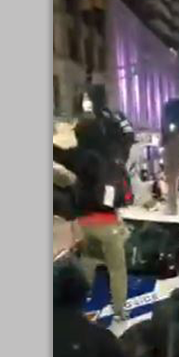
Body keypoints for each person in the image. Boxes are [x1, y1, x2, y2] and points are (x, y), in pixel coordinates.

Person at [53, 88, 135, 326]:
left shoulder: (81, 156)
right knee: (117, 270)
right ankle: (120, 311)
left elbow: (60, 155)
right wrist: (115, 118)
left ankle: (82, 306)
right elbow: (128, 135)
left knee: (87, 262)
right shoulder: (115, 155)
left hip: (84, 223)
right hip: (109, 223)